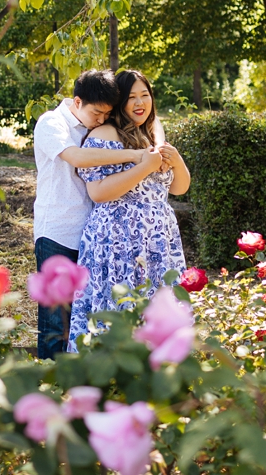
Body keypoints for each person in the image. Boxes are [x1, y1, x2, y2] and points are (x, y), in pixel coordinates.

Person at [32, 69, 163, 359]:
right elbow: (77, 158)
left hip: (92, 238)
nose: (102, 120)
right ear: (77, 102)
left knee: (84, 313)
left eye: (107, 114)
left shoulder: (92, 125)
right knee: (55, 318)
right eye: (97, 114)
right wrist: (134, 155)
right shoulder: (52, 124)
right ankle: (48, 383)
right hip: (57, 233)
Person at [67, 69, 190, 353]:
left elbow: (178, 188)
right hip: (118, 239)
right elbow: (97, 192)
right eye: (131, 97)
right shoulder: (105, 133)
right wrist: (144, 166)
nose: (140, 103)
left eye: (145, 95)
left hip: (159, 240)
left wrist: (177, 160)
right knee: (118, 310)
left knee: (158, 309)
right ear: (119, 103)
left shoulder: (152, 134)